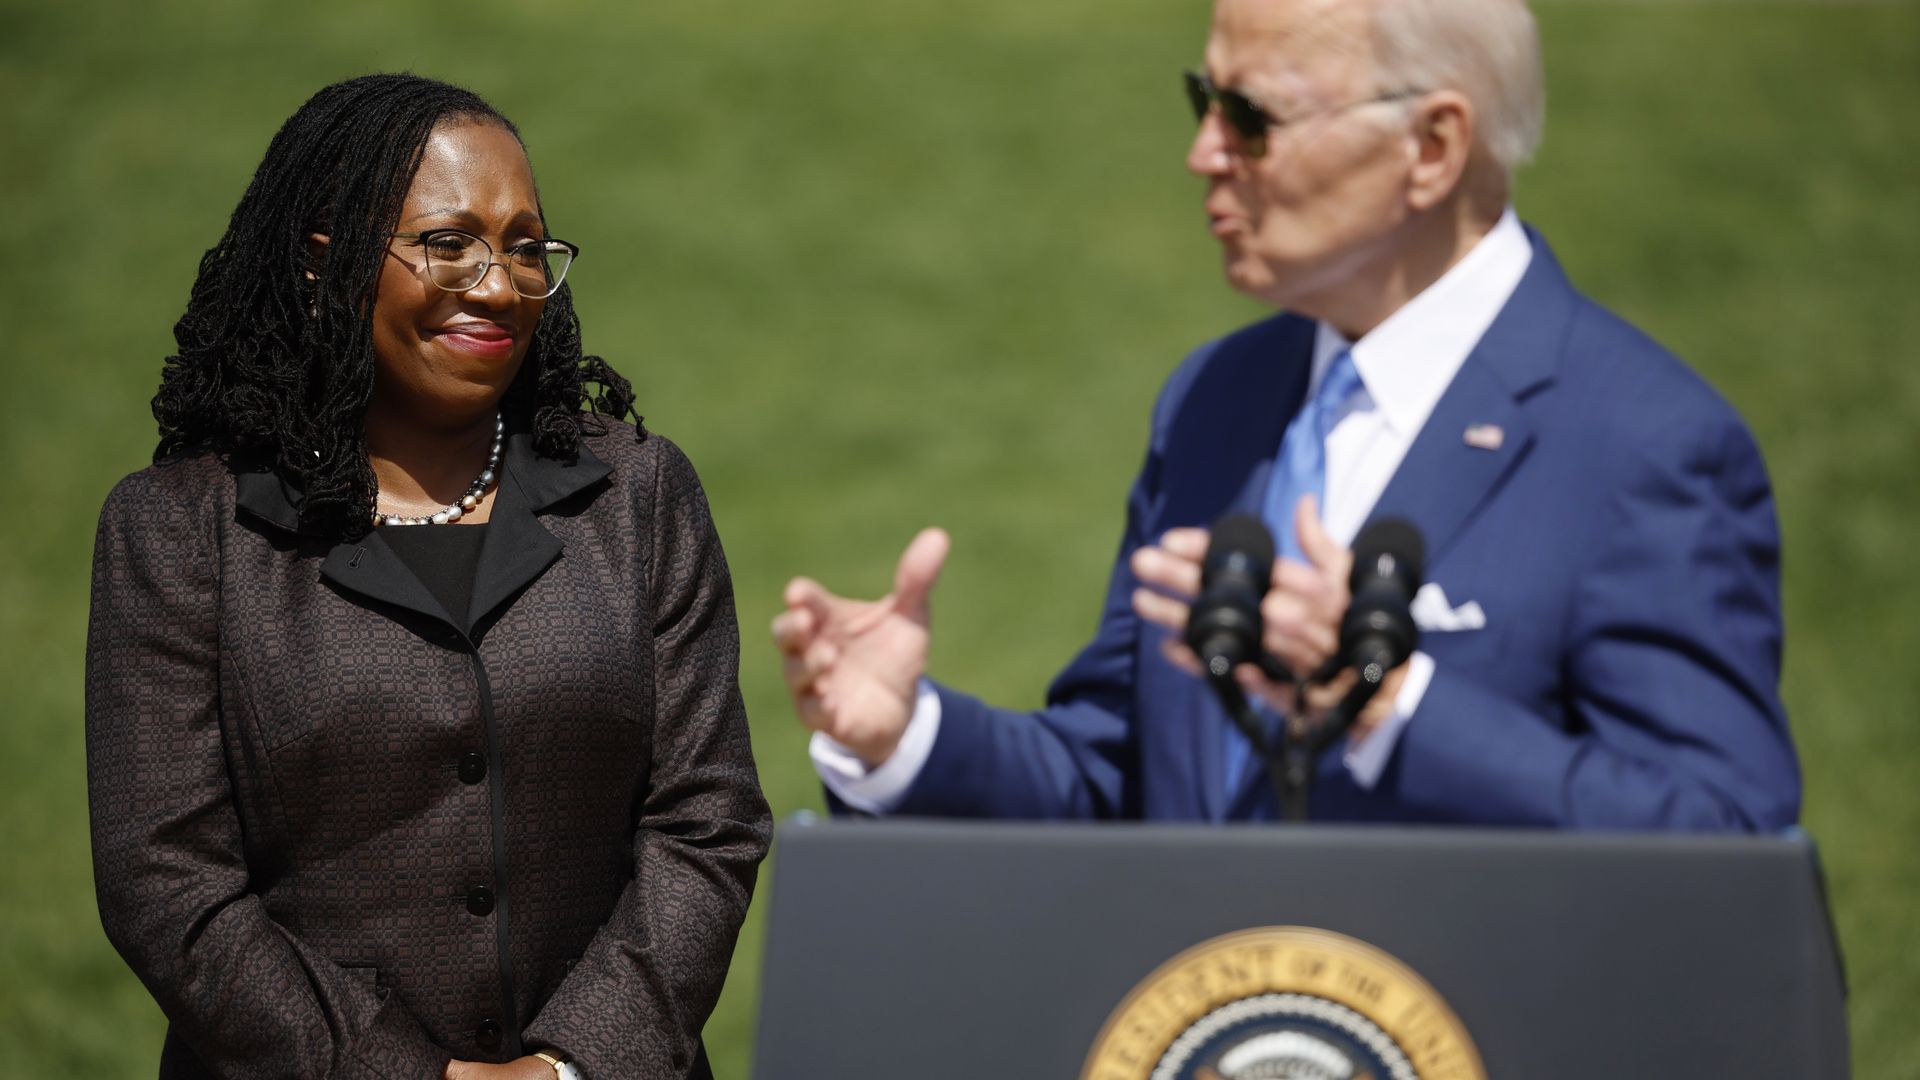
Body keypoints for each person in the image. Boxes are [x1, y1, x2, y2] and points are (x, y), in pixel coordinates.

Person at [772, 0, 1800, 829]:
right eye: (1203, 100)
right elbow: (1123, 778)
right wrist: (905, 738)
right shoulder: (1218, 399)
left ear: (1432, 146)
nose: (1204, 152)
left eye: (1251, 116)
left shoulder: (1644, 443)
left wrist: (1391, 704)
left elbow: (1725, 838)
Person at [85, 74, 769, 1079]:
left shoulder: (638, 495)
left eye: (526, 248)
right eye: (450, 244)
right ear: (326, 265)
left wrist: (571, 1064)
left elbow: (709, 823)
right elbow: (165, 883)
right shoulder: (184, 532)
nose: (497, 286)